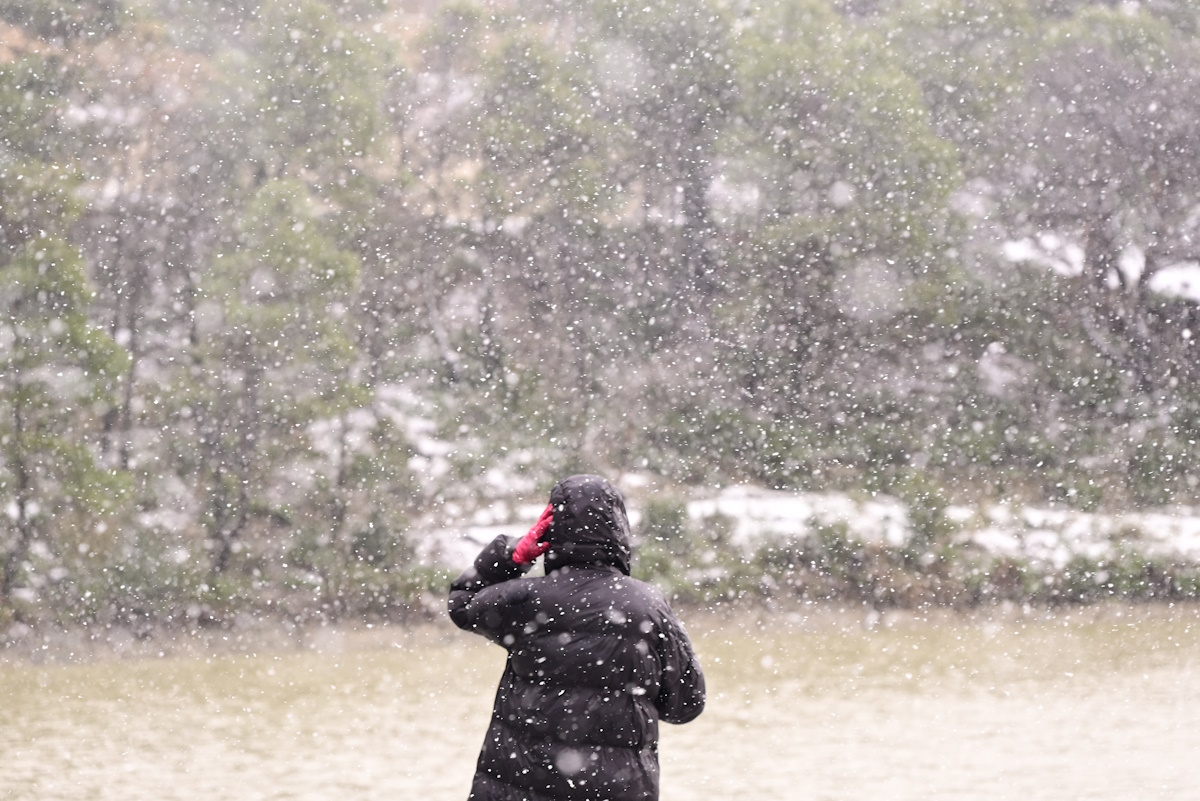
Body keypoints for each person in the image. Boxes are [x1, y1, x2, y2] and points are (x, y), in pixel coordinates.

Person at [448, 474, 706, 801]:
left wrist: (512, 555)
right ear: (620, 530)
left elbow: (462, 603)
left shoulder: (525, 600)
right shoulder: (648, 607)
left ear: (550, 528)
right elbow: (686, 704)